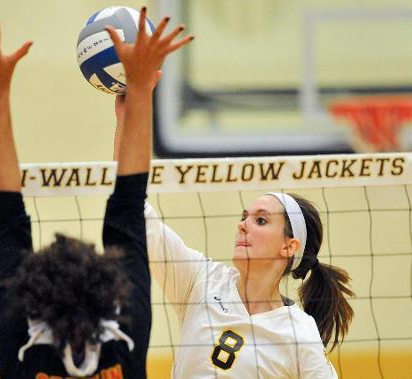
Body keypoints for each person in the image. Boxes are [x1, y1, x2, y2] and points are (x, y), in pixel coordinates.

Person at [0, 10, 192, 379]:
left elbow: (9, 216)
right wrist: (138, 89)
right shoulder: (121, 350)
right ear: (111, 296)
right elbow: (128, 204)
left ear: (31, 300)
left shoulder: (25, 356)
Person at [112, 43, 354, 379]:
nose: (243, 226)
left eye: (260, 220)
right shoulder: (200, 281)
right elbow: (133, 210)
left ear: (289, 246)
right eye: (244, 217)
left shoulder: (299, 334)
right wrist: (132, 113)